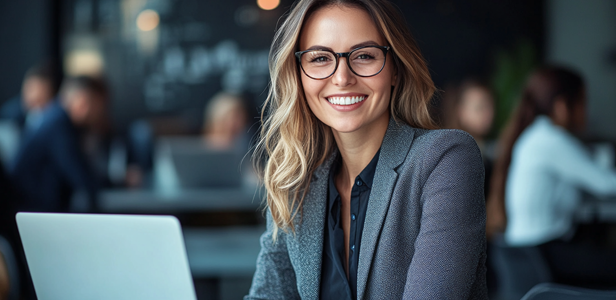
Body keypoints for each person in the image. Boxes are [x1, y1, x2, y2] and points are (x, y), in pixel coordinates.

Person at [246, 0, 487, 299]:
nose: (342, 78)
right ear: (299, 75)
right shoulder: (296, 183)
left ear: (395, 70)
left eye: (364, 56)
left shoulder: (444, 159)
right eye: (320, 58)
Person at [488, 66, 616, 286]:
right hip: (543, 254)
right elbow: (607, 183)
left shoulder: (537, 135)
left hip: (527, 253)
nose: (586, 111)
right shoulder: (550, 138)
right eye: (583, 101)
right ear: (562, 105)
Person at [9, 76, 105, 213]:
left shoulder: (54, 116)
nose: (99, 114)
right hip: (30, 213)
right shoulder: (58, 124)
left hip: (32, 210)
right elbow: (80, 175)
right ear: (83, 102)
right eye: (97, 106)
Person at [0, 63, 58, 130]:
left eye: (40, 100)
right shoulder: (8, 116)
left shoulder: (54, 119)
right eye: (31, 90)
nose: (33, 96)